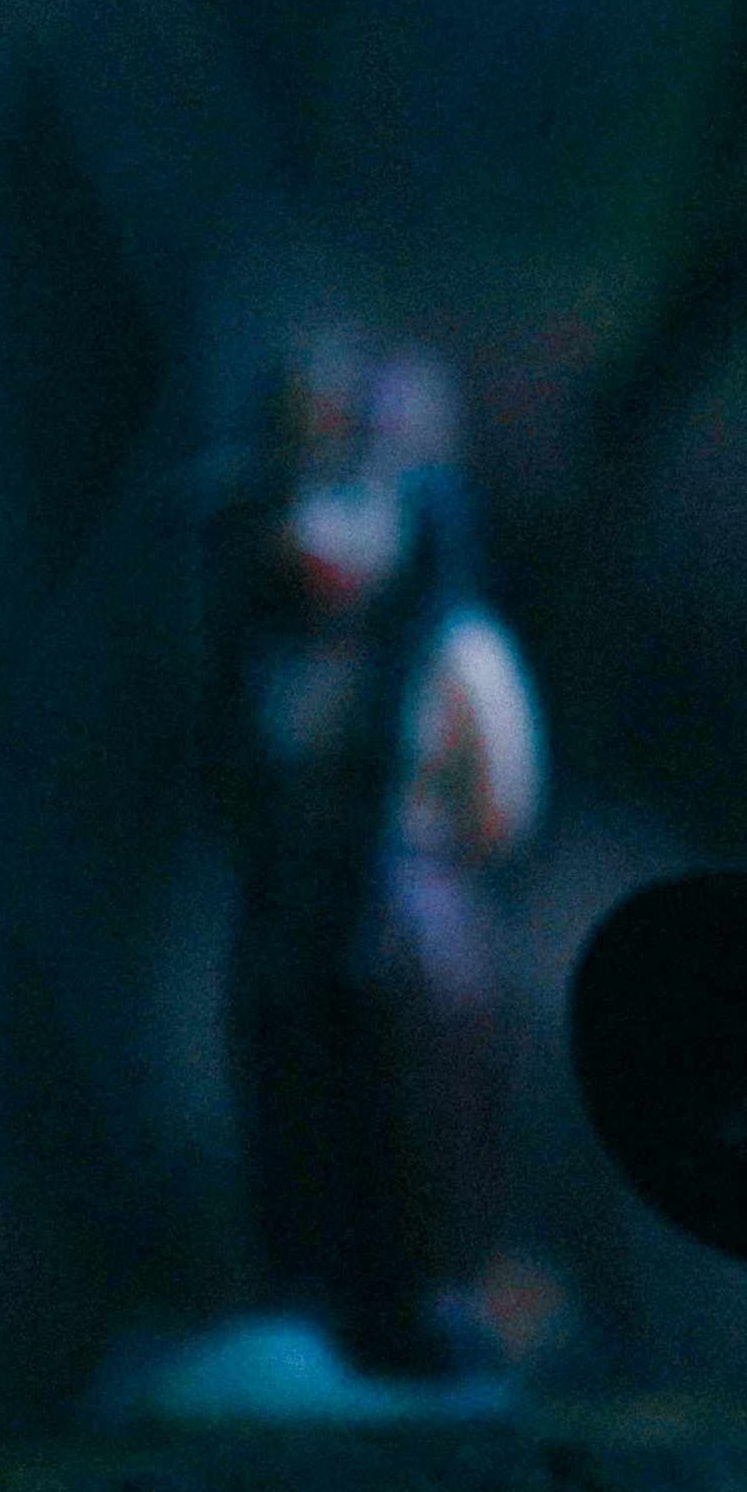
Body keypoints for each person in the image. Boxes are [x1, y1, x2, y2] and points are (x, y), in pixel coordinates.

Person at [205, 327, 547, 1393]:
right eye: (289, 498)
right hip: (288, 915)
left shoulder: (453, 656)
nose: (310, 532)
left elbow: (501, 803)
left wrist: (418, 874)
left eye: (348, 497)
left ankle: (433, 1301)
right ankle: (307, 1299)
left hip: (412, 922)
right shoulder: (272, 658)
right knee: (294, 1107)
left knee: (417, 1116)